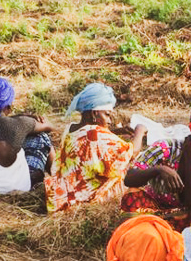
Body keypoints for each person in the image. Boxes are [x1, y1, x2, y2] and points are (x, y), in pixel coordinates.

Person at [45, 82, 147, 212]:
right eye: (107, 114)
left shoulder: (70, 128)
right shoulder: (96, 135)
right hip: (84, 201)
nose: (109, 121)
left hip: (63, 196)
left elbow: (87, 139)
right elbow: (131, 152)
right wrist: (140, 131)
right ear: (94, 114)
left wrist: (115, 131)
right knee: (128, 173)